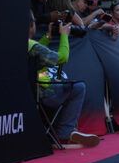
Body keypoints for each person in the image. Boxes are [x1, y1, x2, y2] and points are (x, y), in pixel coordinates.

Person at [28, 12, 99, 148]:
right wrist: (64, 36)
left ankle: (63, 130)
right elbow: (61, 58)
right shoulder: (33, 46)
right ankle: (65, 132)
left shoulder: (26, 45)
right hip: (45, 93)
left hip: (30, 92)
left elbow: (37, 50)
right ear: (32, 27)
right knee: (78, 87)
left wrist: (48, 36)